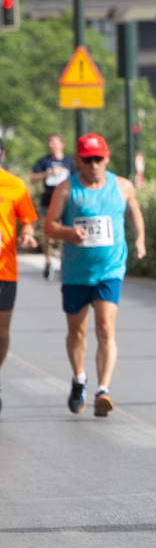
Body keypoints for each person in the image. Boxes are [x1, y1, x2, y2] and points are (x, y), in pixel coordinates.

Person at [43, 133, 147, 417]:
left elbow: (134, 212)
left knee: (106, 328)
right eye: (88, 160)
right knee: (77, 332)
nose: (94, 165)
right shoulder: (66, 189)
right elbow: (49, 226)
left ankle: (103, 389)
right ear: (78, 160)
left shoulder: (122, 186)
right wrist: (68, 232)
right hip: (76, 273)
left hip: (109, 270)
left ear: (107, 158)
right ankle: (79, 379)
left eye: (98, 159)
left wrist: (140, 239)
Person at [0, 139, 39, 413]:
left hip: (5, 271)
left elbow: (29, 220)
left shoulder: (14, 185)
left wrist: (27, 234)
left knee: (1, 332)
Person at [30, 132, 74, 281]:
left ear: (62, 144)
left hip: (65, 202)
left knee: (63, 232)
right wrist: (47, 173)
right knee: (48, 233)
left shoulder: (69, 161)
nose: (51, 145)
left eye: (54, 142)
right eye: (49, 142)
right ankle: (48, 261)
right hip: (48, 201)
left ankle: (62, 261)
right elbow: (33, 178)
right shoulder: (44, 161)